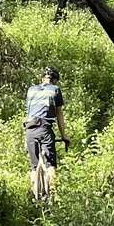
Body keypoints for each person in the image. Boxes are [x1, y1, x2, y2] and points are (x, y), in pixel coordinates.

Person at [24, 66, 65, 203]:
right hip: (44, 128)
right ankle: (54, 197)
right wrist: (64, 136)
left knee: (34, 166)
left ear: (43, 78)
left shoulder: (31, 90)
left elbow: (30, 111)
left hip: (29, 128)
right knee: (50, 164)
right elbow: (59, 114)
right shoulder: (55, 90)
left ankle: (33, 198)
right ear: (55, 80)